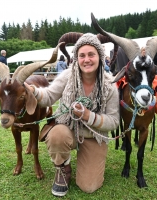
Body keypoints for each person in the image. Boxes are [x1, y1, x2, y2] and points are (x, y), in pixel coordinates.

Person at [25, 33, 119, 197]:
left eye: (91, 54)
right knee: (56, 135)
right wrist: (34, 91)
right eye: (82, 55)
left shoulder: (110, 84)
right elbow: (48, 96)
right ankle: (63, 167)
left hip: (94, 135)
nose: (86, 59)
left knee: (89, 186)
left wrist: (89, 115)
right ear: (76, 58)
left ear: (100, 56)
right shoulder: (68, 75)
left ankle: (88, 161)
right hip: (68, 128)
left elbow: (114, 121)